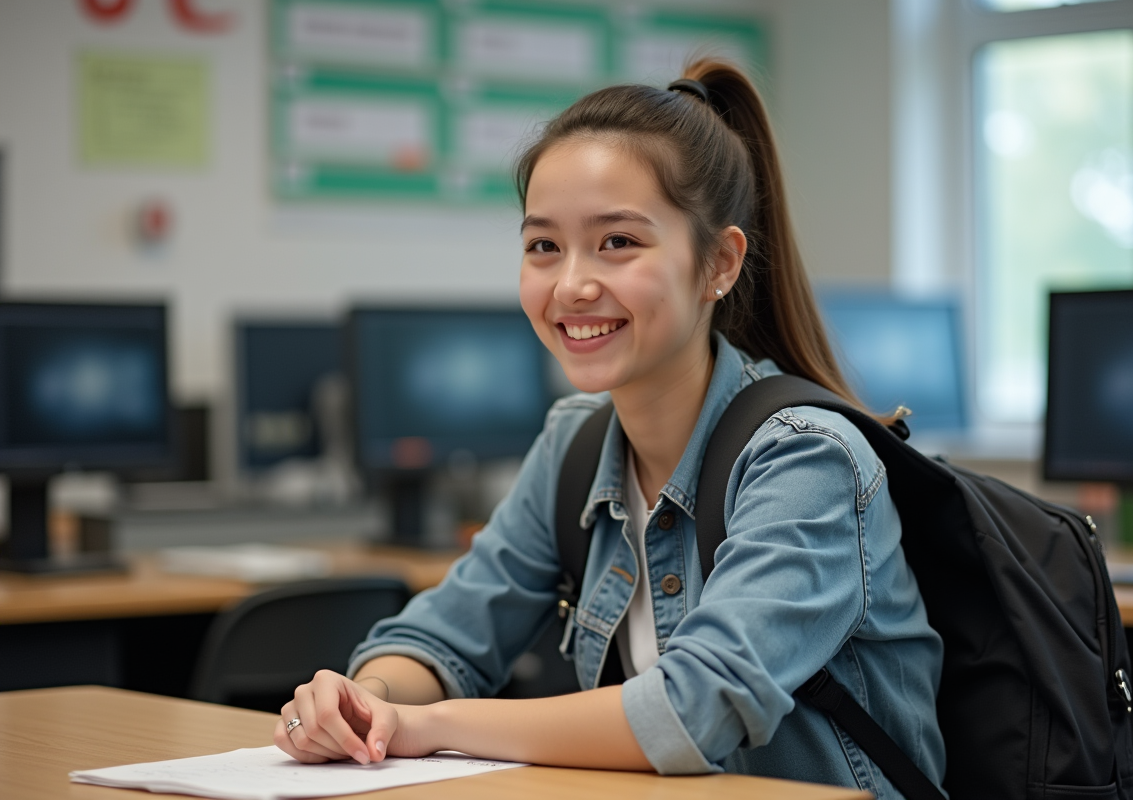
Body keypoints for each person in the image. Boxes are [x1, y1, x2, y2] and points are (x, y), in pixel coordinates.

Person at [275, 59, 946, 797]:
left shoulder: (808, 460)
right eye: (543, 246)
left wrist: (430, 726)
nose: (571, 285)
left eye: (618, 242)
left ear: (718, 263)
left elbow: (693, 710)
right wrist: (367, 698)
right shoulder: (577, 443)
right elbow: (442, 638)